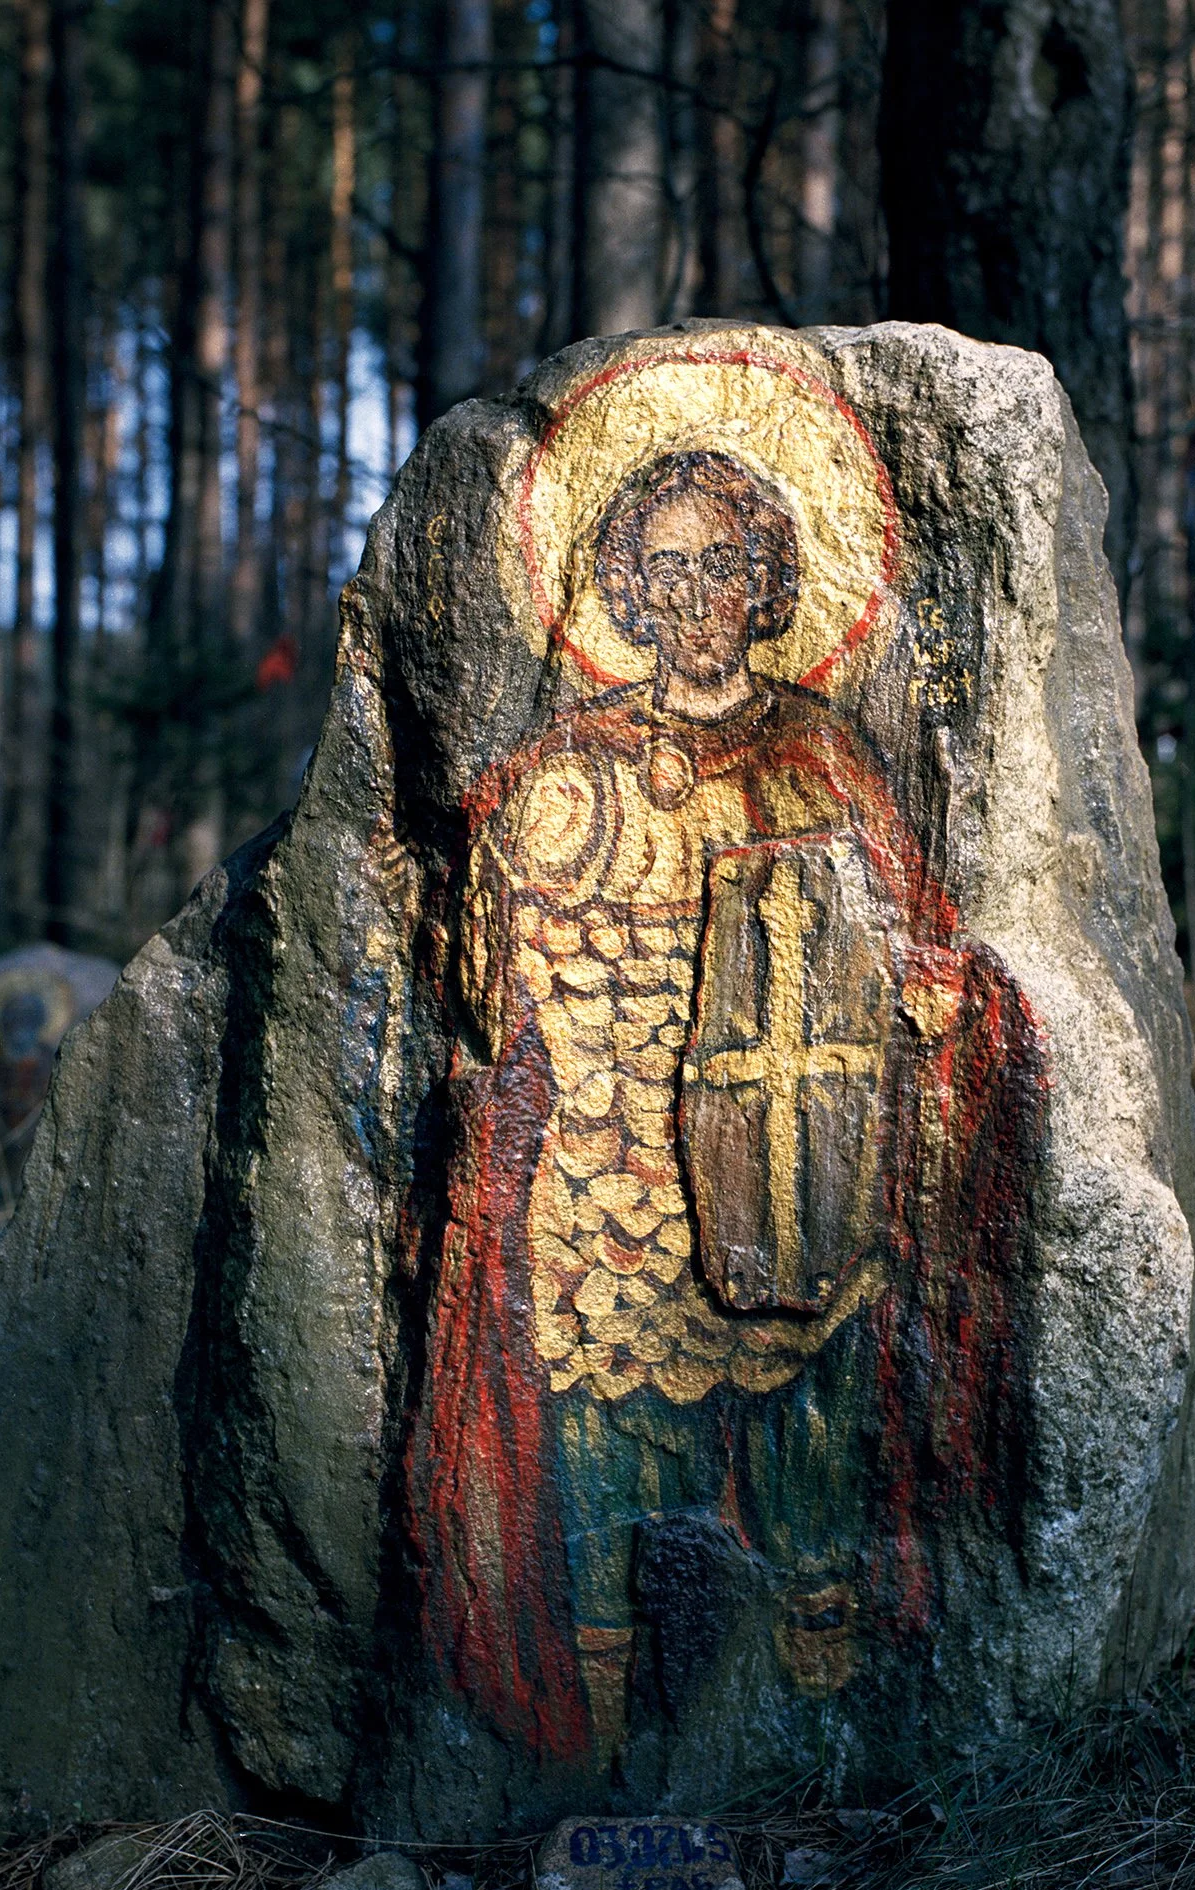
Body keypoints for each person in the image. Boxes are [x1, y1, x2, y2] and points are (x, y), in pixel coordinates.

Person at [410, 450, 1043, 1771]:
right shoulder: (558, 779)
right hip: (612, 1224)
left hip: (800, 1216)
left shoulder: (826, 759)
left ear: (767, 582)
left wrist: (949, 1003)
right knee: (611, 1521)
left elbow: (916, 958)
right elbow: (480, 994)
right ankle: (603, 1773)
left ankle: (822, 1758)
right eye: (667, 568)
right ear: (624, 590)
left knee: (815, 1506)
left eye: (723, 564)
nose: (696, 595)